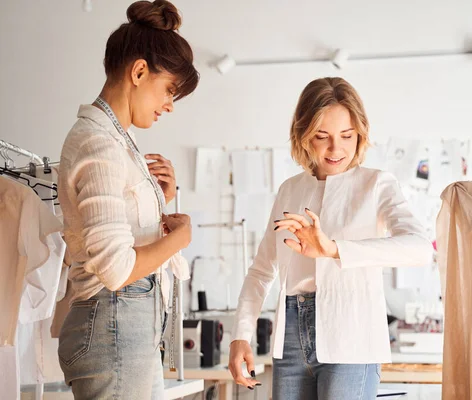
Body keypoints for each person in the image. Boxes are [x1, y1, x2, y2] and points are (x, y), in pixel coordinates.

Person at [229, 77, 433, 400]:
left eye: (347, 136)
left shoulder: (377, 185)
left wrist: (334, 250)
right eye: (322, 137)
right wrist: (240, 335)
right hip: (290, 340)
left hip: (351, 335)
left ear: (360, 134)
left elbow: (420, 248)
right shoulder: (289, 190)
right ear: (303, 136)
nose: (336, 149)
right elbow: (261, 271)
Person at [56, 1, 199, 398]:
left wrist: (160, 205)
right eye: (169, 90)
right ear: (139, 72)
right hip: (114, 324)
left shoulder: (118, 139)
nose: (170, 104)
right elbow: (117, 269)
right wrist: (180, 237)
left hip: (125, 326)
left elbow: (120, 238)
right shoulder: (98, 143)